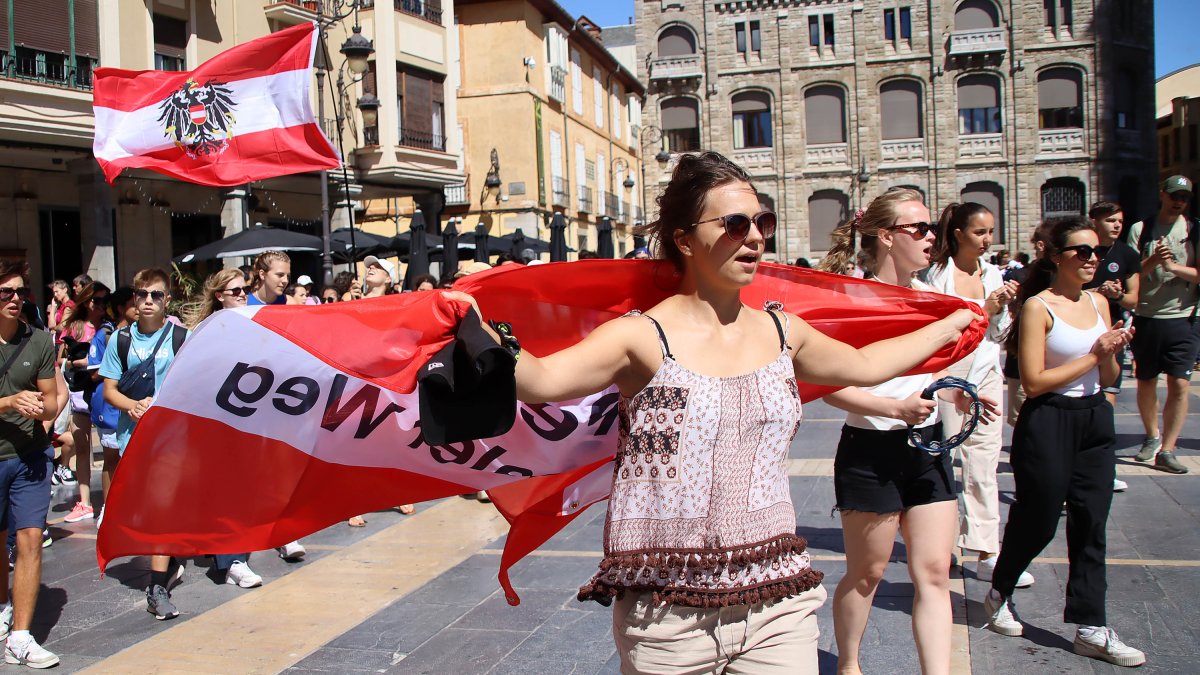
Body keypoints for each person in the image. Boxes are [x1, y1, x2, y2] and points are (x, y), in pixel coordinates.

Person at [447, 152, 978, 673]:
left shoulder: (781, 330)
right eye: (734, 223)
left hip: (777, 605)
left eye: (761, 222)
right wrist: (472, 322)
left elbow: (863, 364)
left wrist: (948, 325)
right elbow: (540, 382)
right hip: (667, 616)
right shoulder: (641, 336)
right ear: (684, 239)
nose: (753, 236)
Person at [818, 189, 999, 675]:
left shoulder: (933, 299)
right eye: (918, 229)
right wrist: (892, 407)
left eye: (931, 229)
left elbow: (932, 375)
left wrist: (959, 394)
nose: (931, 238)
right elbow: (826, 385)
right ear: (885, 236)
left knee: (935, 573)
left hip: (928, 445)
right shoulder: (851, 298)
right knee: (868, 573)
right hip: (870, 449)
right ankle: (850, 665)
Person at [984, 217, 1145, 668]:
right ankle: (1000, 589)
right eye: (1082, 252)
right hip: (1048, 419)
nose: (1093, 259)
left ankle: (1091, 626)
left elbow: (1107, 375)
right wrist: (1095, 354)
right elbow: (1033, 382)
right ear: (1057, 257)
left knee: (1092, 523)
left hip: (1094, 417)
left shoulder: (1098, 302)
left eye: (1097, 252)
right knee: (1038, 520)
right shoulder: (1039, 306)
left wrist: (1110, 356)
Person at [925, 202, 1033, 588]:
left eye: (990, 232)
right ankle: (945, 541)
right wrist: (985, 309)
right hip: (950, 372)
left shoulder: (993, 273)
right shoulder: (937, 275)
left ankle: (988, 550)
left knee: (984, 461)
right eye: (980, 232)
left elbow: (998, 334)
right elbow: (940, 329)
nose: (988, 240)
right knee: (945, 456)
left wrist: (1003, 310)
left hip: (987, 371)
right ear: (958, 234)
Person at [100, 268, 190, 620]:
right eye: (142, 294)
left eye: (155, 295)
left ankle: (156, 585)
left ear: (167, 300)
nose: (148, 301)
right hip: (132, 438)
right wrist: (132, 406)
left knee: (160, 508)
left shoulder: (182, 338)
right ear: (133, 299)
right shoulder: (120, 341)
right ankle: (167, 560)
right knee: (151, 508)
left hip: (172, 440)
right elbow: (109, 390)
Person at [0, 260, 61, 667]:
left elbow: (53, 399)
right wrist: (7, 401)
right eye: (6, 293)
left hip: (30, 457)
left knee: (30, 538)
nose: (16, 299)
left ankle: (21, 635)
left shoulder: (39, 341)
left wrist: (42, 407)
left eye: (20, 292)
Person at [1127, 175, 1197, 474]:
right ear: (1162, 195)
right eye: (1174, 195)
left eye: (1184, 196)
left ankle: (1168, 448)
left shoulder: (1194, 229)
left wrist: (1173, 268)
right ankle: (1152, 436)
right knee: (1146, 381)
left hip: (1185, 316)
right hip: (1147, 316)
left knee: (1180, 383)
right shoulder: (1141, 230)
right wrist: (1153, 261)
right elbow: (1131, 276)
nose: (1178, 201)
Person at [58, 282, 111, 524]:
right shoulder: (74, 327)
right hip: (80, 391)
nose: (100, 306)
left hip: (104, 391)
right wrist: (80, 363)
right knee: (82, 445)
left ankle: (112, 501)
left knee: (112, 448)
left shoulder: (110, 327)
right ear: (86, 300)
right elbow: (61, 360)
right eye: (95, 301)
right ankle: (85, 501)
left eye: (104, 301)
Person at [1085, 202, 1140, 412]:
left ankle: (1104, 433)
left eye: (1120, 221)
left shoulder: (1128, 255)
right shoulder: (1083, 252)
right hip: (1081, 323)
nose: (1116, 225)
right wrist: (1097, 290)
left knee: (1109, 388)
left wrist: (1118, 295)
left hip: (1112, 327)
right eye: (1110, 220)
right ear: (1095, 222)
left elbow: (1133, 299)